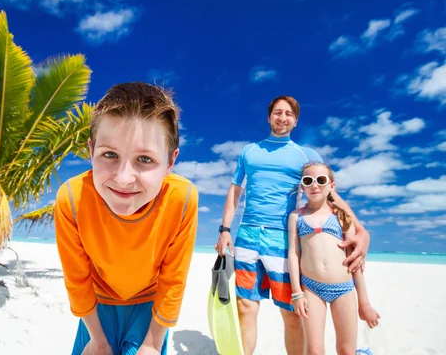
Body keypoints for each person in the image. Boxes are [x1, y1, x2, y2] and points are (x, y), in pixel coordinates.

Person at [214, 95, 371, 355]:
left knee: (291, 313)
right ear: (269, 117)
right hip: (248, 235)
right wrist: (225, 230)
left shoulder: (305, 155)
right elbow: (234, 192)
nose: (282, 117)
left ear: (295, 121)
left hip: (283, 238)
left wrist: (361, 230)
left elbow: (329, 193)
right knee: (246, 306)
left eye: (288, 114)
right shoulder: (249, 152)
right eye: (277, 112)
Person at [54, 82, 199, 355]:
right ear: (91, 151)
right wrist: (97, 340)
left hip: (149, 306)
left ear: (170, 162)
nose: (123, 178)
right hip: (96, 307)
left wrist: (153, 343)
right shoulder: (72, 199)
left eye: (145, 159)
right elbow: (78, 280)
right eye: (110, 154)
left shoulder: (182, 199)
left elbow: (173, 281)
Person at [288, 162, 380, 355]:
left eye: (321, 180)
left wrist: (364, 303)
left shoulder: (341, 216)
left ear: (332, 185)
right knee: (314, 350)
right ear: (302, 186)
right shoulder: (297, 216)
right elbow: (294, 253)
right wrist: (297, 292)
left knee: (346, 350)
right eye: (308, 181)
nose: (315, 185)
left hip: (344, 289)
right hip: (311, 288)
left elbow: (354, 261)